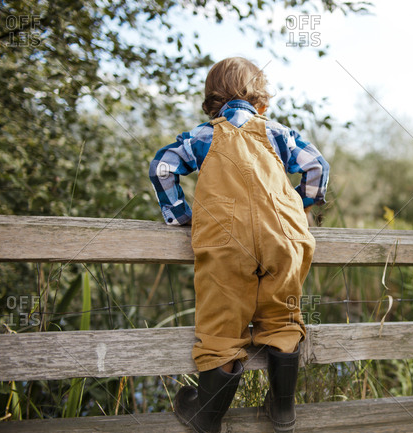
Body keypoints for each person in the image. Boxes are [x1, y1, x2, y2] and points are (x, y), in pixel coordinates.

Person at [149, 56, 329, 433]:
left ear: (213, 101)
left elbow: (163, 167)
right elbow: (317, 167)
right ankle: (282, 412)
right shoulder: (279, 133)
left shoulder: (204, 135)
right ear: (261, 101)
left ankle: (207, 416)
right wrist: (297, 204)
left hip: (226, 238)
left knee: (222, 325)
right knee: (283, 316)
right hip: (284, 235)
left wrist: (181, 215)